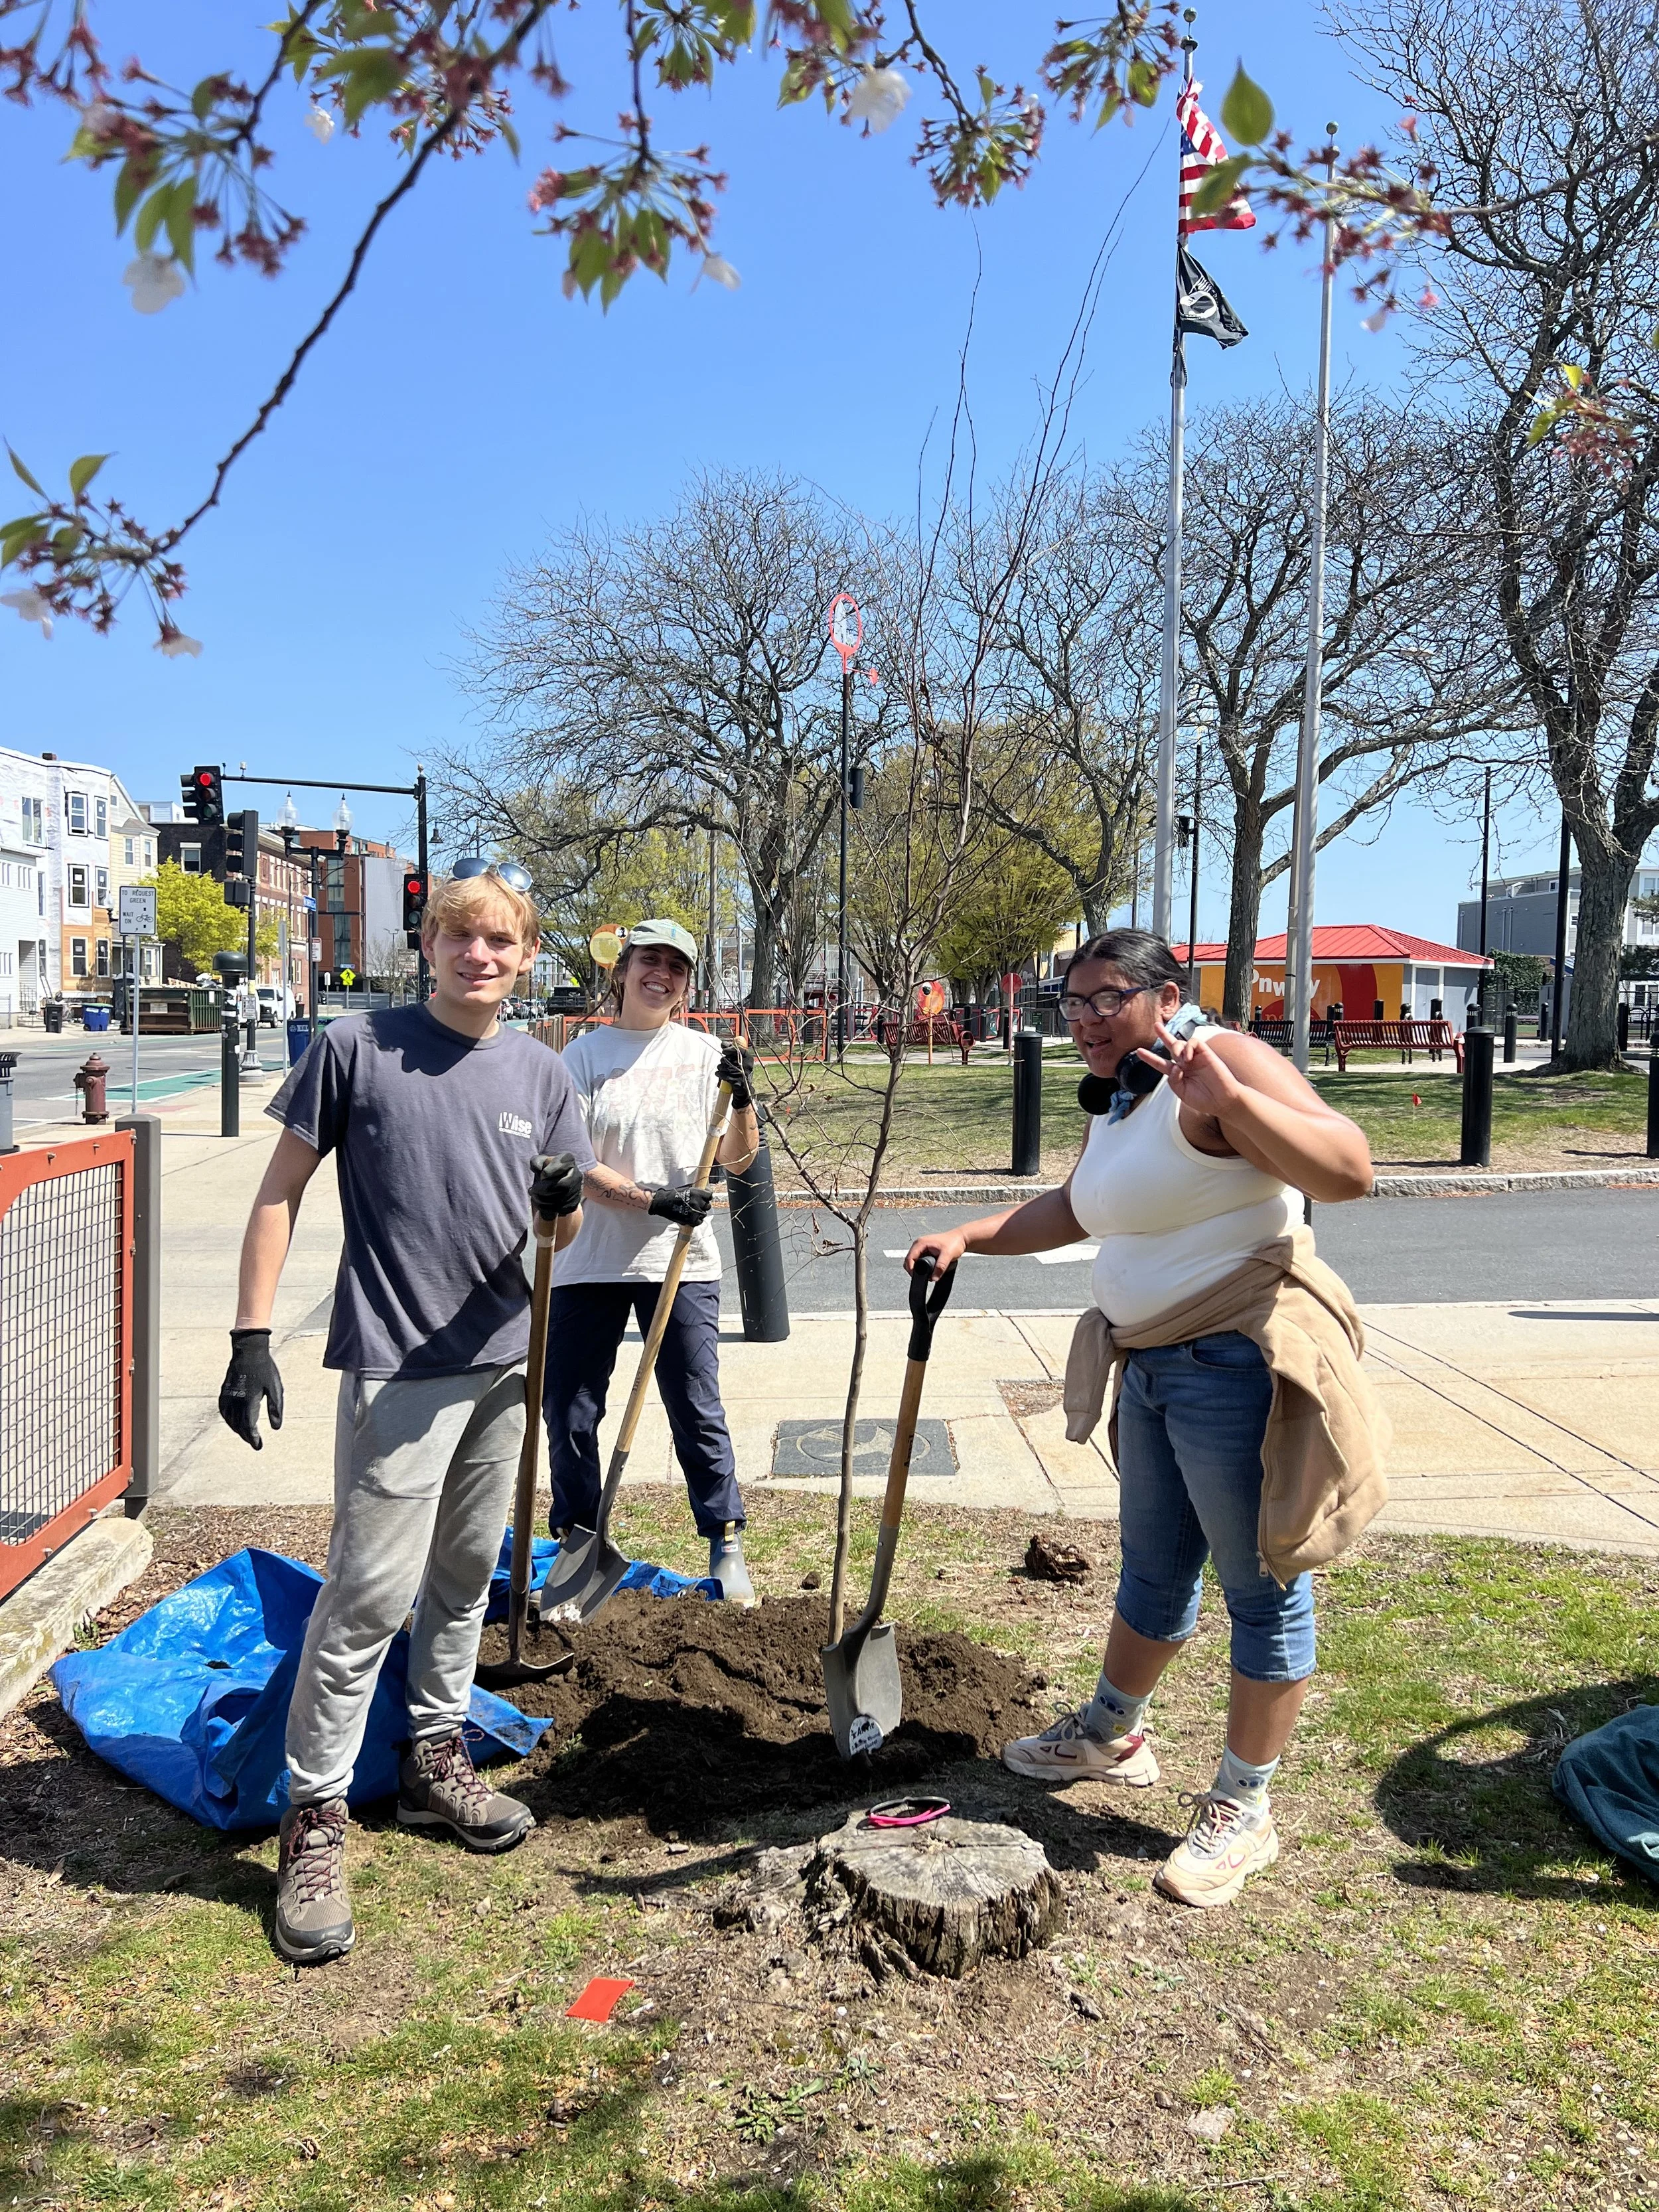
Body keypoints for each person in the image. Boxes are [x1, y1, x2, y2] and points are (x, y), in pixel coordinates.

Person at [906, 929, 1385, 1911]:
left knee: (1263, 1586)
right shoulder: (1124, 1093)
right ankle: (1111, 1734)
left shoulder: (1218, 1060)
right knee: (1155, 1569)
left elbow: (1348, 1169)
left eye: (1106, 997)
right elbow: (1079, 1209)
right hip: (1156, 1366)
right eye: (1072, 1001)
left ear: (1167, 998)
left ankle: (1244, 1805)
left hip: (1233, 1365)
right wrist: (968, 1234)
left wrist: (1234, 1102)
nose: (1084, 1018)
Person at [218, 861, 594, 1966]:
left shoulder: (543, 1070)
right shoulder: (357, 1049)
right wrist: (249, 1335)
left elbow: (558, 1235)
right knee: (368, 1595)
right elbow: (279, 1191)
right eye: (460, 936)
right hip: (398, 1367)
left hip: (507, 1364)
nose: (480, 955)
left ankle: (434, 1758)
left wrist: (563, 1213)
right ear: (427, 946)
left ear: (528, 957)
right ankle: (314, 1816)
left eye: (501, 941)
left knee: (467, 1575)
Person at [545, 919, 761, 1602]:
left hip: (682, 1262)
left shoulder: (706, 1055)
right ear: (622, 970)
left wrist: (743, 1097)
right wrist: (653, 1200)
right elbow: (576, 1165)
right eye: (648, 960)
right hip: (589, 1260)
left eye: (675, 965)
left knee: (695, 1405)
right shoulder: (581, 1057)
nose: (660, 974)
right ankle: (579, 1538)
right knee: (570, 1410)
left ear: (687, 983)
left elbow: (739, 1159)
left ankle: (725, 1540)